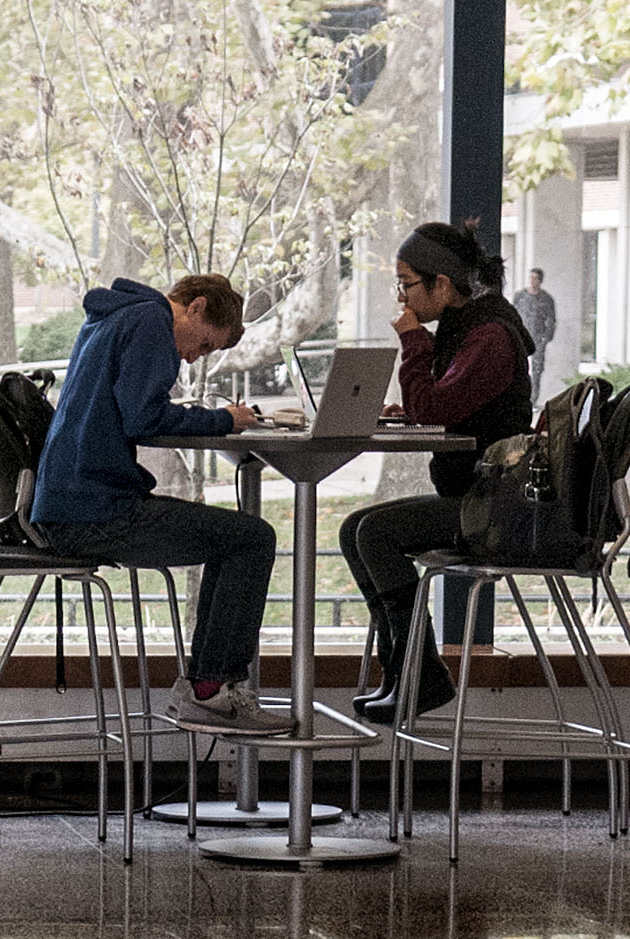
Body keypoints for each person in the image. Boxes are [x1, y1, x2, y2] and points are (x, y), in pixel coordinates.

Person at [30, 274, 291, 736]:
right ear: (196, 307)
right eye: (205, 345)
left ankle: (211, 688)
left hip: (68, 504)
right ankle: (211, 692)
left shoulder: (115, 316)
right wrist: (223, 419)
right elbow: (143, 416)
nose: (193, 357)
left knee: (235, 538)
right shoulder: (151, 321)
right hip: (95, 511)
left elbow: (131, 409)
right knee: (251, 539)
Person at [335, 221, 535, 723]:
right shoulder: (469, 329)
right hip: (476, 497)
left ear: (442, 284)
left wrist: (412, 342)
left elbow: (435, 407)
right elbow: (447, 405)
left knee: (375, 533)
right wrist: (415, 410)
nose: (401, 297)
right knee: (355, 528)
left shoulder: (490, 336)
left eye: (407, 284)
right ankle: (403, 670)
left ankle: (421, 675)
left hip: (494, 508)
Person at [512, 268, 558, 399]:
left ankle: (533, 397)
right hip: (521, 336)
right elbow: (513, 314)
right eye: (531, 278)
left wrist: (546, 337)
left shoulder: (546, 299)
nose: (532, 281)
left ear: (540, 280)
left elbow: (551, 320)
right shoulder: (520, 297)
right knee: (519, 366)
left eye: (535, 278)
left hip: (538, 337)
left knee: (537, 369)